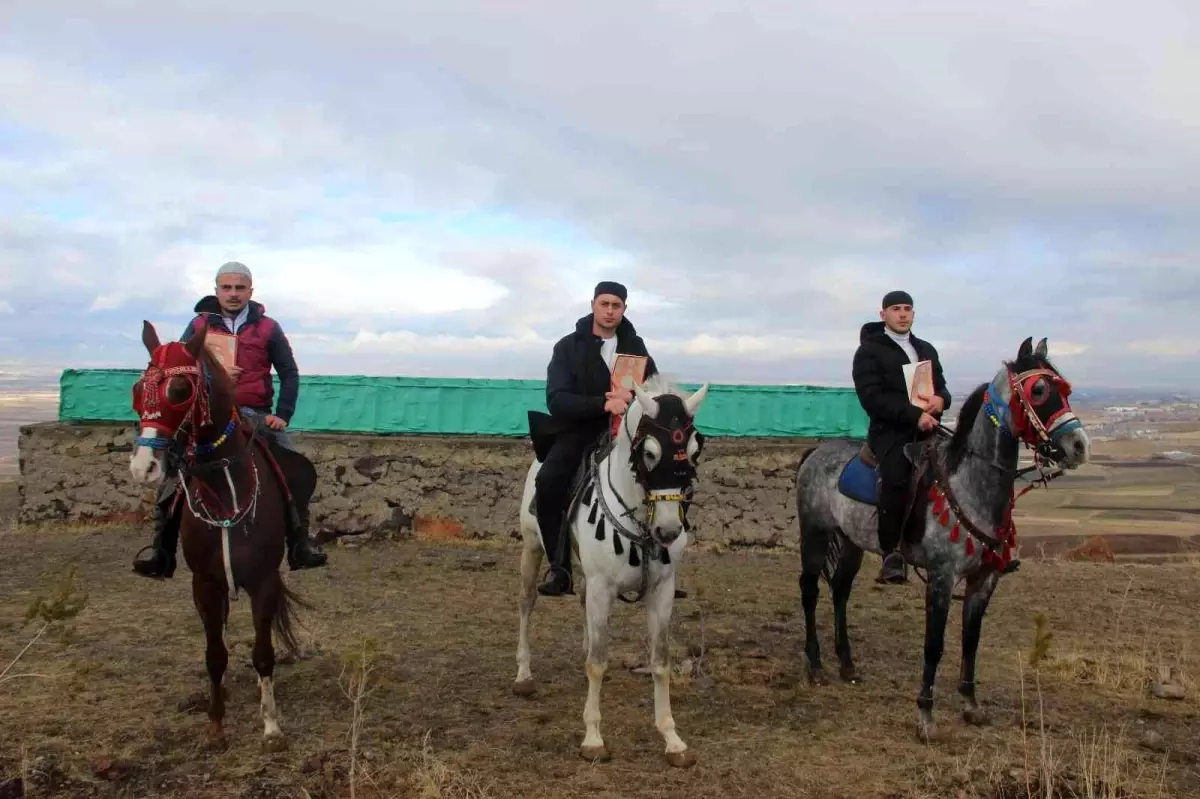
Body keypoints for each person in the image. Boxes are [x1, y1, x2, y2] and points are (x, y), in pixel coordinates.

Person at [132, 261, 327, 579]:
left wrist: (282, 415)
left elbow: (289, 372)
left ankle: (299, 544)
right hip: (207, 417)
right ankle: (161, 551)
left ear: (251, 291)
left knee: (291, 467)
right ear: (216, 290)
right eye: (227, 287)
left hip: (256, 414)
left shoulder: (268, 328)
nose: (233, 294)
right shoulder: (198, 326)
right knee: (173, 473)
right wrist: (216, 377)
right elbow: (180, 369)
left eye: (240, 287)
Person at [532, 280, 659, 597]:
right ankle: (560, 568)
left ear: (624, 309)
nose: (610, 311)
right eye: (605, 304)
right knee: (548, 481)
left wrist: (636, 398)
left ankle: (662, 562)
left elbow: (655, 389)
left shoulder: (636, 346)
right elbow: (556, 399)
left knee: (667, 474)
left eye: (616, 305)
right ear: (593, 305)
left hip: (629, 433)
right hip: (579, 432)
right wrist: (603, 404)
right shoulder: (567, 347)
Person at [851, 290, 951, 584]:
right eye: (896, 308)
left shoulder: (926, 349)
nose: (903, 313)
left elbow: (942, 386)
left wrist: (941, 401)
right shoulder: (869, 351)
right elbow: (871, 397)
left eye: (908, 308)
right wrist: (912, 416)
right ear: (883, 314)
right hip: (890, 433)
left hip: (928, 429)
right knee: (896, 477)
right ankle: (891, 552)